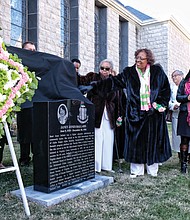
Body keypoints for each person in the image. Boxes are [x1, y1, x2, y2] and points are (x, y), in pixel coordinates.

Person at [84, 48, 172, 177]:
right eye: (137, 58)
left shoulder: (157, 72)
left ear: (148, 59)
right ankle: (137, 170)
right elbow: (113, 82)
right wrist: (94, 86)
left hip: (154, 114)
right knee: (136, 143)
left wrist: (160, 103)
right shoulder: (129, 72)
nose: (138, 60)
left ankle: (152, 169)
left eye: (141, 58)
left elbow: (165, 89)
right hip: (135, 114)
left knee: (153, 141)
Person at [80, 59, 123, 173]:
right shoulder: (93, 77)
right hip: (96, 113)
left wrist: (119, 115)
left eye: (107, 69)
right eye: (102, 68)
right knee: (97, 139)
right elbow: (81, 82)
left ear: (111, 70)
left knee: (109, 140)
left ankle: (106, 166)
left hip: (109, 114)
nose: (104, 71)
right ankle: (95, 166)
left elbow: (118, 101)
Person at [17, 41, 36, 166]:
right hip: (23, 104)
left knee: (36, 132)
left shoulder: (38, 64)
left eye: (34, 50)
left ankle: (37, 156)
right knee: (24, 132)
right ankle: (24, 158)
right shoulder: (17, 64)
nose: (32, 52)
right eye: (29, 50)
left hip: (36, 103)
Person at [176, 70, 190, 173]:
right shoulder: (184, 83)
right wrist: (187, 97)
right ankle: (183, 164)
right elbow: (178, 97)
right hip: (185, 115)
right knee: (184, 140)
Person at [169, 70, 184, 160]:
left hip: (185, 114)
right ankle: (180, 155)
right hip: (176, 115)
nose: (174, 78)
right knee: (177, 136)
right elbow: (169, 101)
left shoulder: (186, 87)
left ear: (181, 76)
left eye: (175, 75)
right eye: (172, 76)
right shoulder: (172, 89)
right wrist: (172, 106)